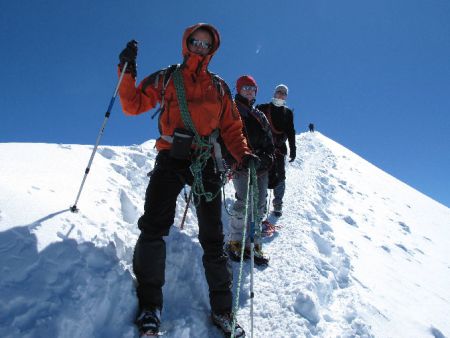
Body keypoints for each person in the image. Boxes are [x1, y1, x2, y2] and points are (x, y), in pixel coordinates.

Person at [117, 23, 256, 337]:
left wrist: (243, 153)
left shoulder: (219, 88)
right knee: (154, 226)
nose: (200, 47)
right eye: (196, 41)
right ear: (186, 43)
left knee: (213, 238)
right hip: (170, 156)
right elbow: (132, 104)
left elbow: (233, 128)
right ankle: (150, 306)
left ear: (213, 49)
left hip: (206, 162)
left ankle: (222, 311)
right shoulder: (168, 78)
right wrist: (127, 72)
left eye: (206, 44)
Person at [225, 75, 274, 266]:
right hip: (241, 165)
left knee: (260, 205)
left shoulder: (259, 115)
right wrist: (235, 159)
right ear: (238, 89)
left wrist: (268, 158)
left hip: (260, 167)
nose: (249, 91)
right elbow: (226, 136)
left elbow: (269, 141)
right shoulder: (232, 110)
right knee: (244, 201)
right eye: (245, 88)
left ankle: (254, 243)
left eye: (252, 88)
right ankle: (235, 241)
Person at [256, 84, 296, 217]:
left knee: (280, 175)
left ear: (286, 96)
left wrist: (293, 149)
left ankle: (278, 203)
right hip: (263, 148)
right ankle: (262, 203)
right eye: (279, 92)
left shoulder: (288, 113)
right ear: (274, 93)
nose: (281, 94)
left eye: (283, 93)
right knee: (263, 173)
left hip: (279, 149)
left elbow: (290, 132)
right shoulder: (262, 108)